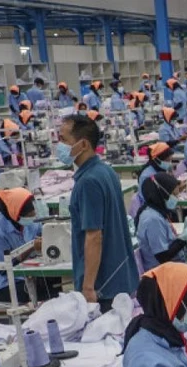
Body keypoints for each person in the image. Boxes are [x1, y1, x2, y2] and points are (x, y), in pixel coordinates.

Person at [57, 114, 138, 312]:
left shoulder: (88, 182)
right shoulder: (106, 171)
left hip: (103, 286)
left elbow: (94, 237)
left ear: (83, 144)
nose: (59, 146)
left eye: (64, 140)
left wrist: (88, 286)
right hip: (119, 277)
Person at [0, 188, 59, 303]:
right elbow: (2, 269)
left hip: (28, 275)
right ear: (16, 212)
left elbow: (42, 231)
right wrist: (31, 247)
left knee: (58, 280)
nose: (33, 215)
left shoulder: (26, 222)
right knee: (53, 291)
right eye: (29, 214)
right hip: (7, 285)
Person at [136, 173, 187, 271]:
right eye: (173, 195)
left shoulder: (158, 212)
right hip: (162, 274)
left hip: (169, 267)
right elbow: (163, 257)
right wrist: (184, 238)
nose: (176, 199)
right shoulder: (152, 219)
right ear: (162, 194)